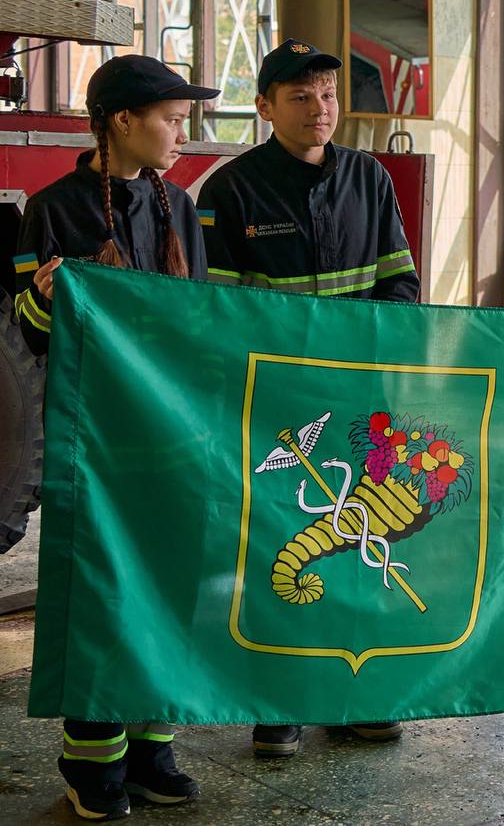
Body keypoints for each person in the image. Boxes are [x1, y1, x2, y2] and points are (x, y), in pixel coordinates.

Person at [198, 38, 420, 757]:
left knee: (362, 540)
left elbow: (400, 280)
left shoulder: (369, 177)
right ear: (265, 107)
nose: (319, 109)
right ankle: (281, 700)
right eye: (300, 97)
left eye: (327, 95)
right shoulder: (231, 191)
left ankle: (356, 692)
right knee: (279, 540)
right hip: (280, 406)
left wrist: (372, 346)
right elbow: (220, 309)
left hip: (361, 399)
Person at [12, 54, 218, 820]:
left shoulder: (180, 209)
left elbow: (201, 324)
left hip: (175, 442)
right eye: (171, 119)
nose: (182, 133)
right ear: (122, 121)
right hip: (96, 446)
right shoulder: (50, 211)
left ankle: (152, 748)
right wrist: (42, 302)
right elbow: (22, 340)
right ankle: (91, 759)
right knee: (104, 598)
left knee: (169, 592)